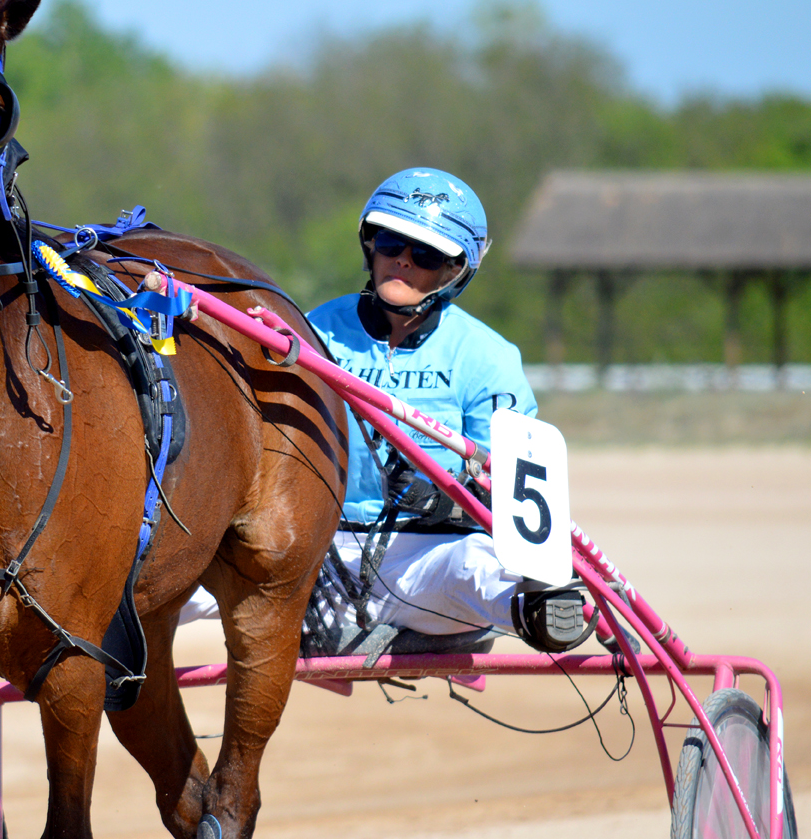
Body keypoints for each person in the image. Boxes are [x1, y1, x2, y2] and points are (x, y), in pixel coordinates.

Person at [179, 168, 586, 654]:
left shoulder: (488, 358)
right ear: (371, 245)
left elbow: (514, 493)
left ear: (457, 270)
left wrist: (442, 502)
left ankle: (538, 611)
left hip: (425, 561)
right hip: (305, 549)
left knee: (476, 565)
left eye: (426, 254)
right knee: (183, 568)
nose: (403, 263)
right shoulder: (313, 331)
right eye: (392, 244)